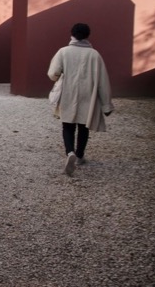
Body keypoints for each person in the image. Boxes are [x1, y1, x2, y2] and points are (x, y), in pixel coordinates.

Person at [47, 23, 114, 176]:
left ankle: (69, 152)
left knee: (68, 126)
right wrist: (106, 105)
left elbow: (52, 73)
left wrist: (60, 76)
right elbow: (103, 81)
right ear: (87, 35)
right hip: (88, 94)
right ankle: (79, 156)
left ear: (72, 34)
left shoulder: (63, 52)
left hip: (68, 93)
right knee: (84, 126)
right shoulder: (95, 55)